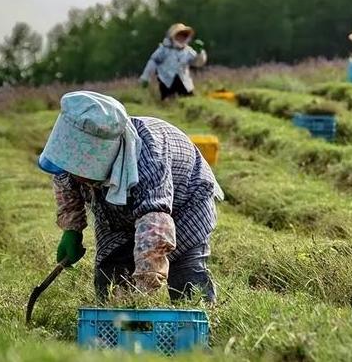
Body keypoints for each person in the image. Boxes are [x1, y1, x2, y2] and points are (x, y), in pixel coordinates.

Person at [38, 91, 222, 303]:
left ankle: (193, 326)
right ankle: (114, 326)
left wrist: (141, 295)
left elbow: (155, 229)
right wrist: (72, 229)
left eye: (79, 169)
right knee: (111, 270)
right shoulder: (73, 162)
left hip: (184, 203)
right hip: (119, 209)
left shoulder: (149, 160)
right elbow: (64, 179)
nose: (74, 174)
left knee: (187, 275)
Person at [139, 23, 207, 100]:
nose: (181, 38)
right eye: (179, 35)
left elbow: (198, 63)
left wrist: (200, 53)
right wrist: (145, 77)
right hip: (167, 82)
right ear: (173, 36)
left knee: (189, 100)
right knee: (168, 101)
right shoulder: (164, 50)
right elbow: (152, 63)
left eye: (184, 35)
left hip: (184, 82)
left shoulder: (188, 51)